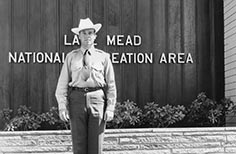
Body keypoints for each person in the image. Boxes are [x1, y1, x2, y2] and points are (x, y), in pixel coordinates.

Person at [55, 18, 117, 154]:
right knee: (78, 144)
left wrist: (110, 107)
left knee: (96, 145)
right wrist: (62, 106)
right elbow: (62, 83)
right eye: (84, 33)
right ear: (78, 36)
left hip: (97, 99)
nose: (87, 36)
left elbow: (111, 85)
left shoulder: (104, 57)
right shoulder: (71, 57)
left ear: (95, 36)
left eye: (90, 33)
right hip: (76, 99)